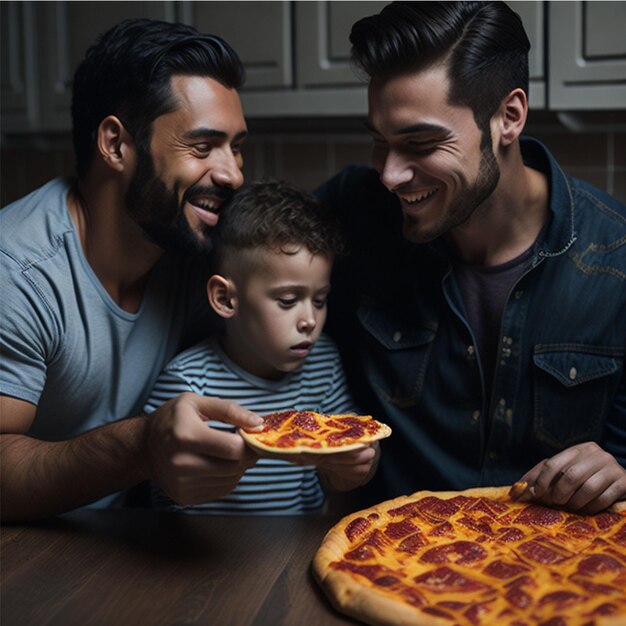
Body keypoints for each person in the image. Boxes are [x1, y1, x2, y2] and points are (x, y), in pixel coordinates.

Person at [316, 1, 626, 515]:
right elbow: (233, 256)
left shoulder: (616, 262)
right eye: (380, 141)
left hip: (553, 573)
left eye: (421, 142)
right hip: (387, 556)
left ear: (509, 116)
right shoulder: (354, 213)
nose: (390, 175)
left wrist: (618, 472)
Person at [0, 18, 265, 522]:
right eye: (203, 146)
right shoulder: (16, 273)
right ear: (116, 144)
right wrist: (142, 446)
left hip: (133, 546)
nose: (233, 172)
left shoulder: (195, 248)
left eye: (236, 146)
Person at [144, 179, 379, 514]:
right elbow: (164, 497)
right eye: (287, 300)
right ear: (226, 298)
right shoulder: (188, 384)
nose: (309, 320)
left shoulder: (323, 363)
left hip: (297, 549)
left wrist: (358, 466)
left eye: (321, 299)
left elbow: (349, 458)